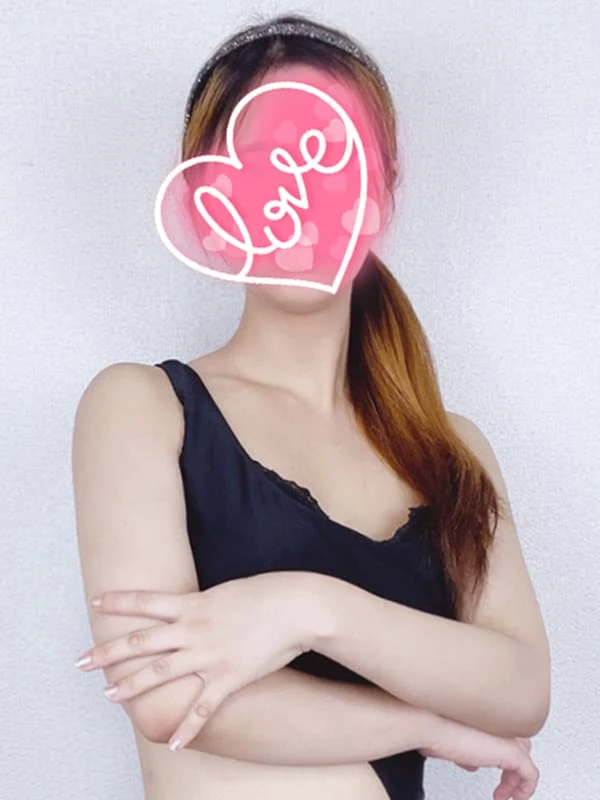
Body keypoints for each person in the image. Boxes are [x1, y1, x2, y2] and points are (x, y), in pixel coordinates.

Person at [71, 13, 550, 800]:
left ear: (381, 193)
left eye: (332, 160)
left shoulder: (449, 450)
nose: (297, 191)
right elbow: (165, 695)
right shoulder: (144, 408)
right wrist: (426, 725)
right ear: (207, 199)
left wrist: (309, 607)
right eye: (266, 162)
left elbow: (522, 687)